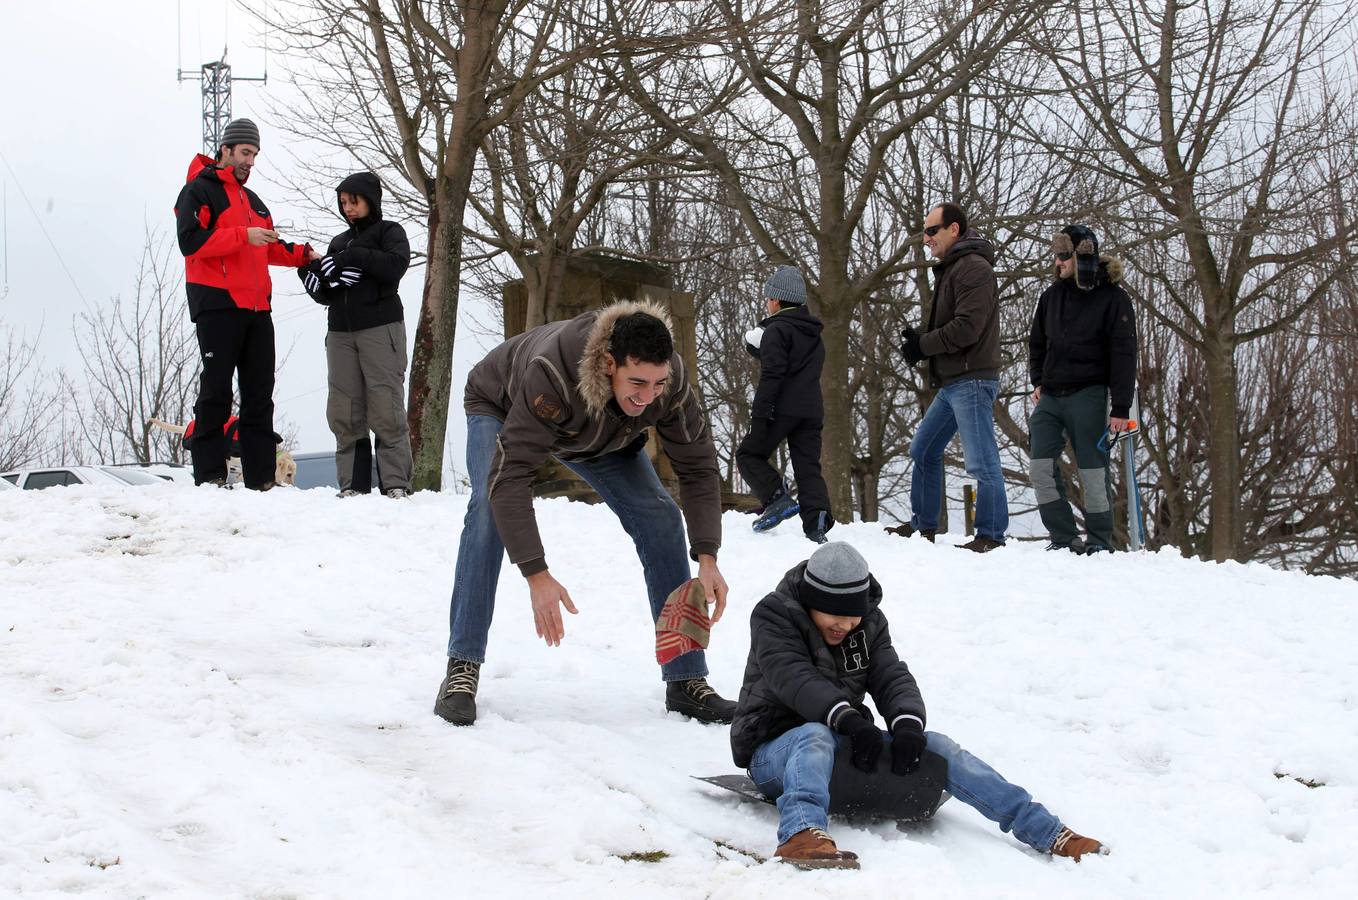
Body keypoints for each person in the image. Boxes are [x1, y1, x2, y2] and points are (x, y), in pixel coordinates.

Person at [434, 301, 737, 726]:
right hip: (502, 405)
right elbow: (511, 479)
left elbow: (698, 466)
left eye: (657, 384)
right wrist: (537, 574)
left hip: (601, 433)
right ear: (609, 364)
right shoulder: (552, 373)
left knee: (662, 517)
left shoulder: (669, 382)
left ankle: (685, 679)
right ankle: (462, 667)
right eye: (637, 383)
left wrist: (707, 556)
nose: (647, 396)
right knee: (488, 510)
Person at [730, 541, 1108, 869]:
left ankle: (1048, 832)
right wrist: (848, 720)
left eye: (852, 615)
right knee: (813, 734)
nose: (845, 625)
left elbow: (890, 674)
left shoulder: (869, 624)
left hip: (839, 740)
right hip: (774, 752)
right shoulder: (773, 615)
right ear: (813, 602)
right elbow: (793, 677)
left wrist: (907, 724)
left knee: (938, 746)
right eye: (835, 615)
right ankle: (800, 833)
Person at [174, 118, 317, 489]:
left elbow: (268, 246)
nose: (250, 161)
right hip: (217, 303)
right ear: (226, 150)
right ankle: (210, 475)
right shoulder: (197, 191)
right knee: (217, 391)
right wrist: (243, 235)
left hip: (257, 308)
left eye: (254, 155)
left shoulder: (254, 202)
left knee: (260, 395)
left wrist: (304, 255)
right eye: (245, 153)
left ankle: (261, 480)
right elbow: (190, 242)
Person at [894, 203, 1008, 552]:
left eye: (932, 231)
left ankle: (991, 535)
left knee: (981, 461)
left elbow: (967, 328)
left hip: (972, 379)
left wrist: (923, 346)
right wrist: (921, 340)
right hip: (954, 380)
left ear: (954, 229)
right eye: (925, 232)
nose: (926, 238)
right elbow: (955, 324)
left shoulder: (973, 268)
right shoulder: (955, 268)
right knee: (924, 449)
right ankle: (923, 525)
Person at [298, 172, 414, 498]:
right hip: (340, 334)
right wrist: (315, 282)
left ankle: (395, 484)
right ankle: (353, 485)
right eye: (343, 202)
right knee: (344, 409)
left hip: (381, 328)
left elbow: (394, 266)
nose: (348, 208)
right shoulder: (338, 242)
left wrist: (352, 257)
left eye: (354, 201)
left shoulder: (390, 232)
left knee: (385, 405)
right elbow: (333, 290)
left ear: (370, 200)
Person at [1028, 225, 1137, 553]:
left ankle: (1099, 541)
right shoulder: (1050, 297)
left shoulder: (1114, 299)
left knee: (1092, 471)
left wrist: (1120, 408)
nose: (1057, 262)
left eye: (1064, 256)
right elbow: (1037, 343)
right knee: (1040, 467)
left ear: (1081, 257)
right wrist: (1038, 380)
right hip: (1051, 396)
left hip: (1089, 395)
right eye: (1057, 255)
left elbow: (1124, 355)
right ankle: (1063, 538)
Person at [736, 265, 834, 543]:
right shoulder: (813, 335)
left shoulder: (777, 330)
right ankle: (817, 522)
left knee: (748, 454)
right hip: (811, 410)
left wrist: (760, 413)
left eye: (768, 299)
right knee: (808, 466)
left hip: (781, 408)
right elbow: (795, 364)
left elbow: (773, 373)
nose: (767, 304)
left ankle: (776, 498)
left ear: (777, 300)